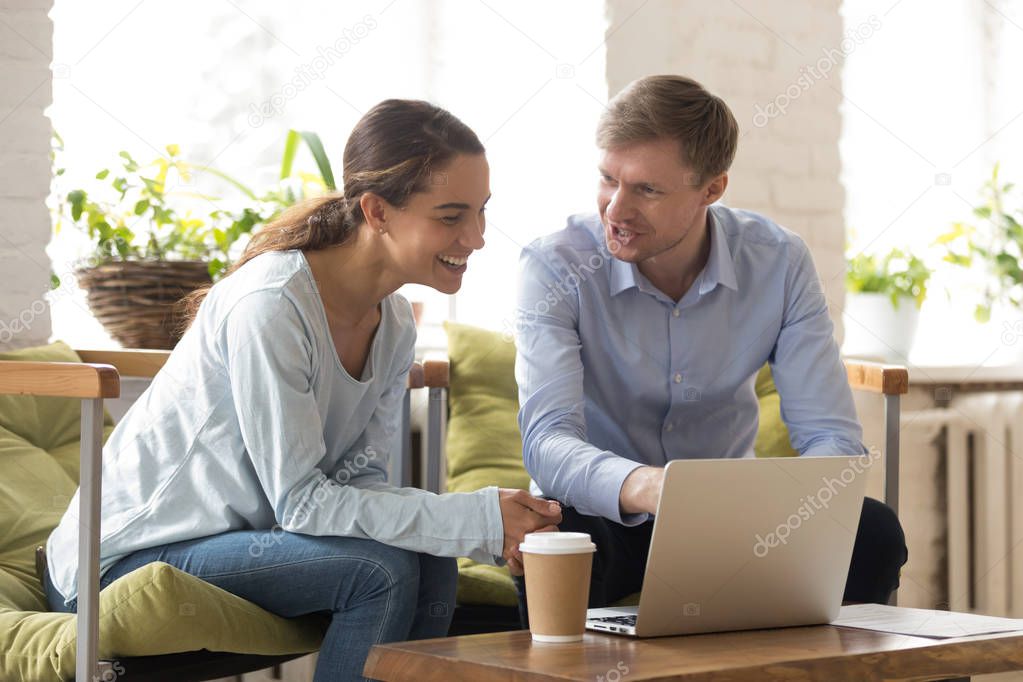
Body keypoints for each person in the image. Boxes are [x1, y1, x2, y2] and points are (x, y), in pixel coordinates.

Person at [45, 99, 562, 682]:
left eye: (481, 212)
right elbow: (303, 503)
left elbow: (359, 483)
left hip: (237, 541)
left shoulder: (393, 322)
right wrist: (473, 517)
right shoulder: (272, 305)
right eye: (450, 216)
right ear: (377, 211)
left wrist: (473, 527)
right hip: (122, 560)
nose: (477, 238)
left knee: (433, 560)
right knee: (379, 571)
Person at [511, 75, 907, 617]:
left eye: (647, 190)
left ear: (712, 189)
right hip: (603, 514)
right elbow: (547, 442)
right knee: (557, 535)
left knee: (873, 530)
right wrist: (648, 487)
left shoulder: (778, 262)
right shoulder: (555, 266)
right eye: (608, 179)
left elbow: (831, 439)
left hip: (732, 524)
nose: (616, 209)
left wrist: (789, 507)